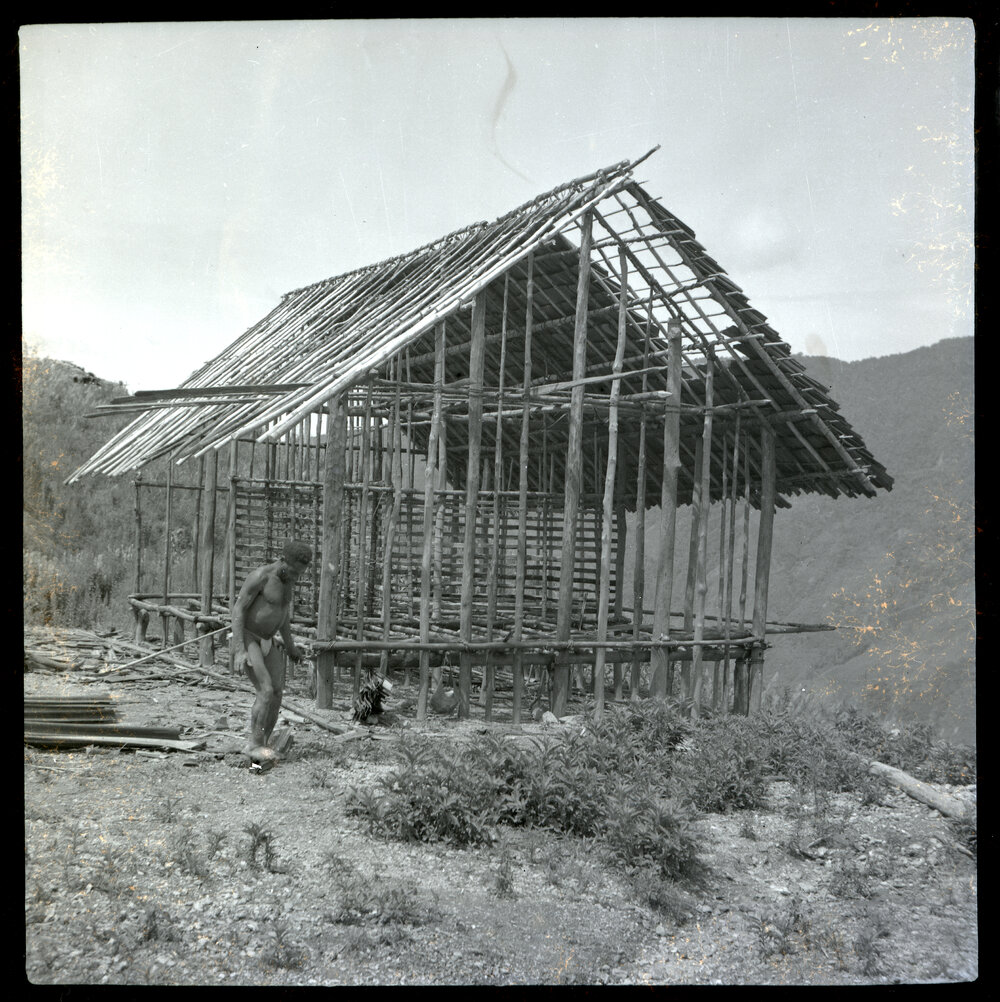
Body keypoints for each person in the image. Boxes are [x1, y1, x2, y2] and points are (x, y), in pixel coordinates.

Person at [231, 539, 312, 762]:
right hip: (250, 637)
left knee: (276, 693)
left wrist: (291, 647)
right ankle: (254, 744)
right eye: (294, 572)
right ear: (283, 560)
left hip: (269, 640)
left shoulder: (287, 583)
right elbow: (238, 610)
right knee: (265, 691)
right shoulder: (261, 577)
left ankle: (263, 744)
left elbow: (283, 617)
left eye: (300, 574)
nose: (296, 577)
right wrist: (239, 649)